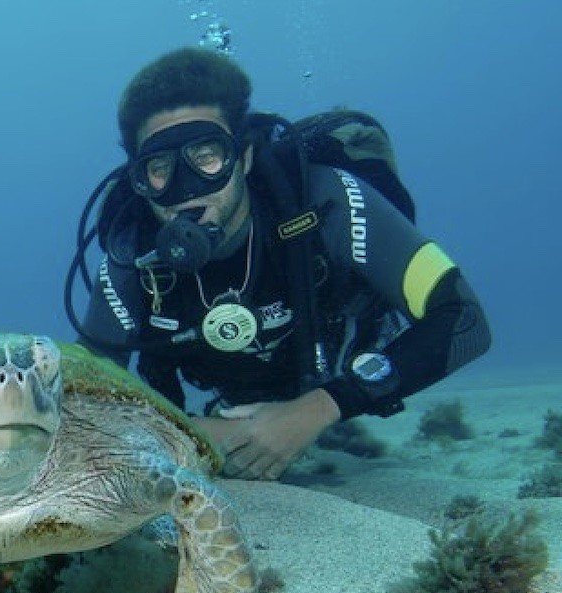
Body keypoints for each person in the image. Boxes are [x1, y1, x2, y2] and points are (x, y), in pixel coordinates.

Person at [71, 47, 491, 480]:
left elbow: (464, 317)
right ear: (139, 181)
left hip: (331, 365)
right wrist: (182, 433)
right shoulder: (131, 255)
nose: (185, 189)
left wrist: (317, 409)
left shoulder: (327, 201)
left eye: (207, 155)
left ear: (245, 157)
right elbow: (86, 390)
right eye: (159, 167)